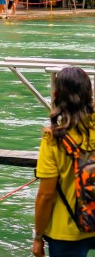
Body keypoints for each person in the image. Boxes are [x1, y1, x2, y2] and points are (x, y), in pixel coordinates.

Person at [33, 66, 95, 257]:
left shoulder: (53, 139)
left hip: (66, 231)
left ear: (55, 95)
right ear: (90, 93)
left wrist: (37, 237)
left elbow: (46, 196)